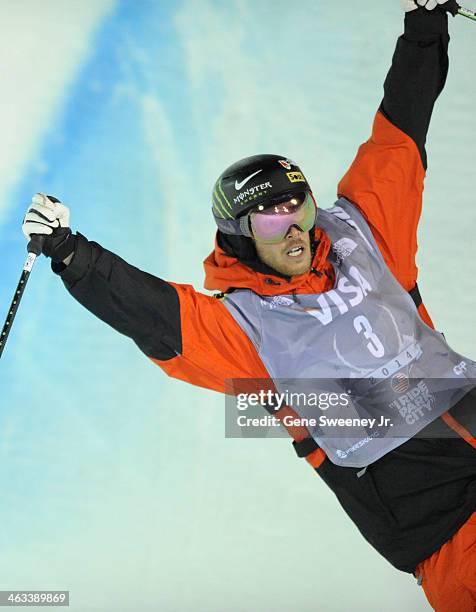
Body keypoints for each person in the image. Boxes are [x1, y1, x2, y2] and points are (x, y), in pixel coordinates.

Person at [22, 1, 476, 609]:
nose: (293, 231)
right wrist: (71, 252)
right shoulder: (244, 330)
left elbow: (398, 141)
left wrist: (425, 26)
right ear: (240, 235)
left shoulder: (366, 233)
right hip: (441, 524)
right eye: (270, 221)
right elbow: (157, 317)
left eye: (300, 210)